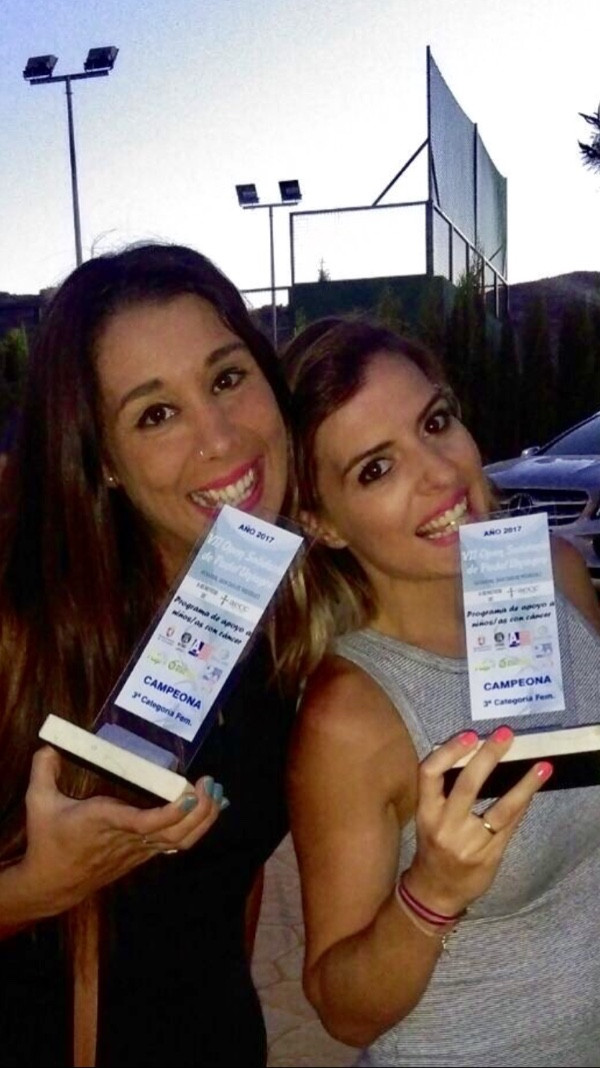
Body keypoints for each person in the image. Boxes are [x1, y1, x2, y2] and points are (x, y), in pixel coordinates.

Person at [0, 243, 296, 1067]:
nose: (220, 437)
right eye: (156, 414)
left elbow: (231, 883)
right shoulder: (22, 634)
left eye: (227, 377)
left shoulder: (288, 625)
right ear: (104, 463)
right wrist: (38, 888)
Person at [281, 318, 600, 1067]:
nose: (439, 473)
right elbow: (342, 1011)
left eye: (435, 422)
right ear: (322, 523)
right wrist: (432, 891)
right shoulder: (353, 717)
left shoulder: (556, 573)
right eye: (376, 469)